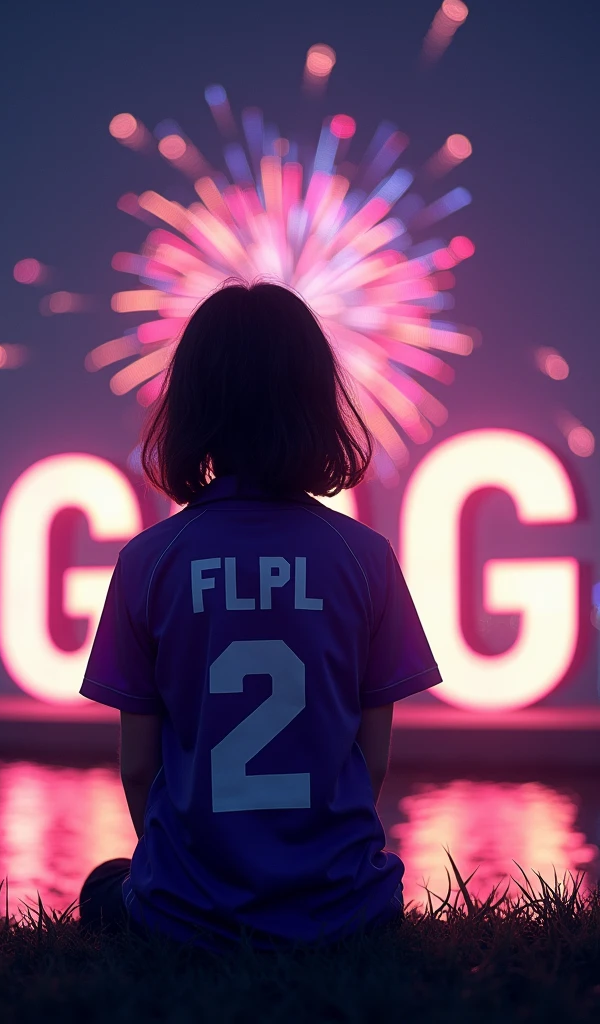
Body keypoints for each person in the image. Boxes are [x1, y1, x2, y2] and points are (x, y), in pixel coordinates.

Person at [78, 280, 442, 952]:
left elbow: (138, 768)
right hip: (347, 911)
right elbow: (374, 758)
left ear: (188, 405)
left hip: (187, 914)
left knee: (105, 882)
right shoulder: (363, 556)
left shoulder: (149, 560)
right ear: (316, 399)